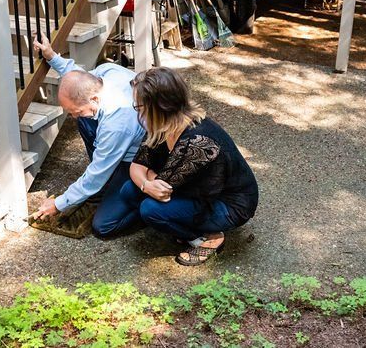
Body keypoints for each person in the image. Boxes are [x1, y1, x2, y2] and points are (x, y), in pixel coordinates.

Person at [120, 67, 259, 265]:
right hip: (190, 190)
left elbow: (163, 189)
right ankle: (181, 221)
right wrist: (147, 184)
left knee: (150, 209)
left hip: (226, 204)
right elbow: (136, 166)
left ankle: (208, 237)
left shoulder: (198, 141)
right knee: (129, 190)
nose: (137, 110)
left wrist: (149, 179)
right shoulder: (162, 125)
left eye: (139, 106)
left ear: (158, 108)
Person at [28, 36, 146, 238]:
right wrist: (51, 56)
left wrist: (58, 204)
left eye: (76, 111)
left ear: (94, 98)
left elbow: (96, 175)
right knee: (86, 119)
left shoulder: (116, 123)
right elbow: (79, 78)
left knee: (103, 226)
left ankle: (145, 205)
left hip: (138, 159)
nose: (73, 117)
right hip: (118, 139)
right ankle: (112, 182)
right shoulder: (106, 74)